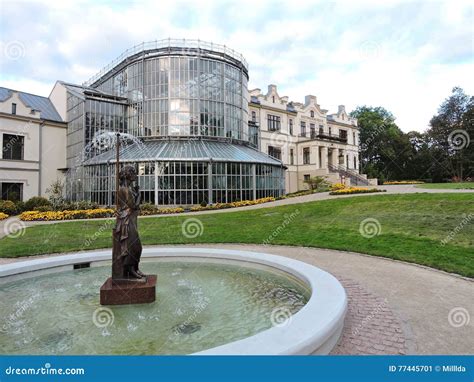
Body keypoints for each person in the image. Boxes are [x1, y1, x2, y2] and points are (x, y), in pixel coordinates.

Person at [115, 165, 145, 279]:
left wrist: (136, 193)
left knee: (136, 246)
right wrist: (139, 195)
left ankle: (135, 268)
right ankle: (131, 269)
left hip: (130, 218)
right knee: (134, 246)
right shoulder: (126, 190)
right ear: (128, 175)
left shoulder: (127, 189)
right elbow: (134, 206)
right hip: (127, 220)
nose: (135, 175)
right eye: (133, 173)